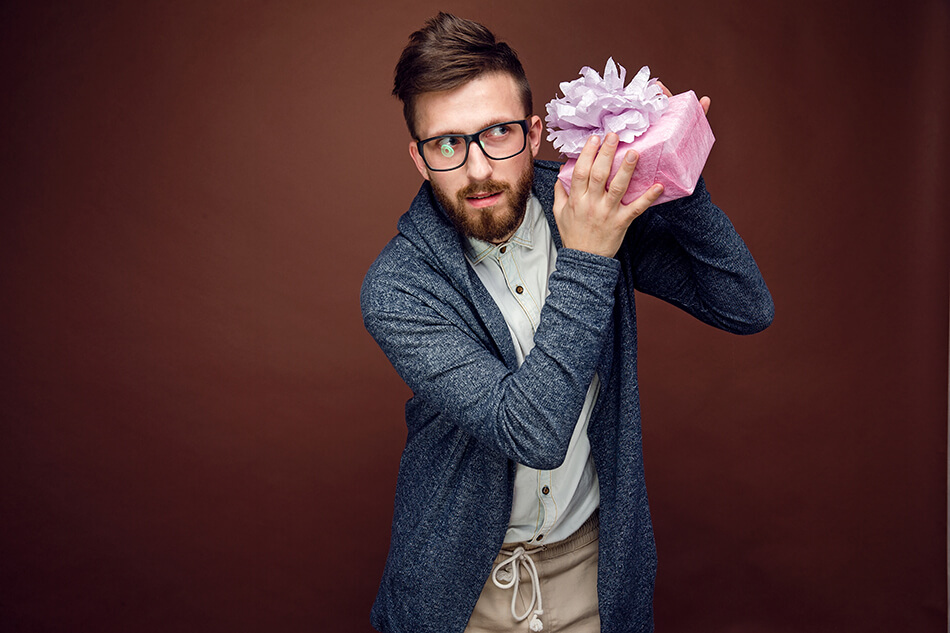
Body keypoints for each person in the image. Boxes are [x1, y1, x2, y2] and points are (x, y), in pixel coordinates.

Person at [360, 12, 773, 633]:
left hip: (596, 573)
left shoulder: (591, 202)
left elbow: (745, 305)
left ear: (530, 132)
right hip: (461, 592)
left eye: (497, 133)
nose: (477, 170)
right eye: (448, 143)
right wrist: (588, 258)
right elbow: (532, 432)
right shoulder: (399, 287)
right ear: (419, 159)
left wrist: (676, 167)